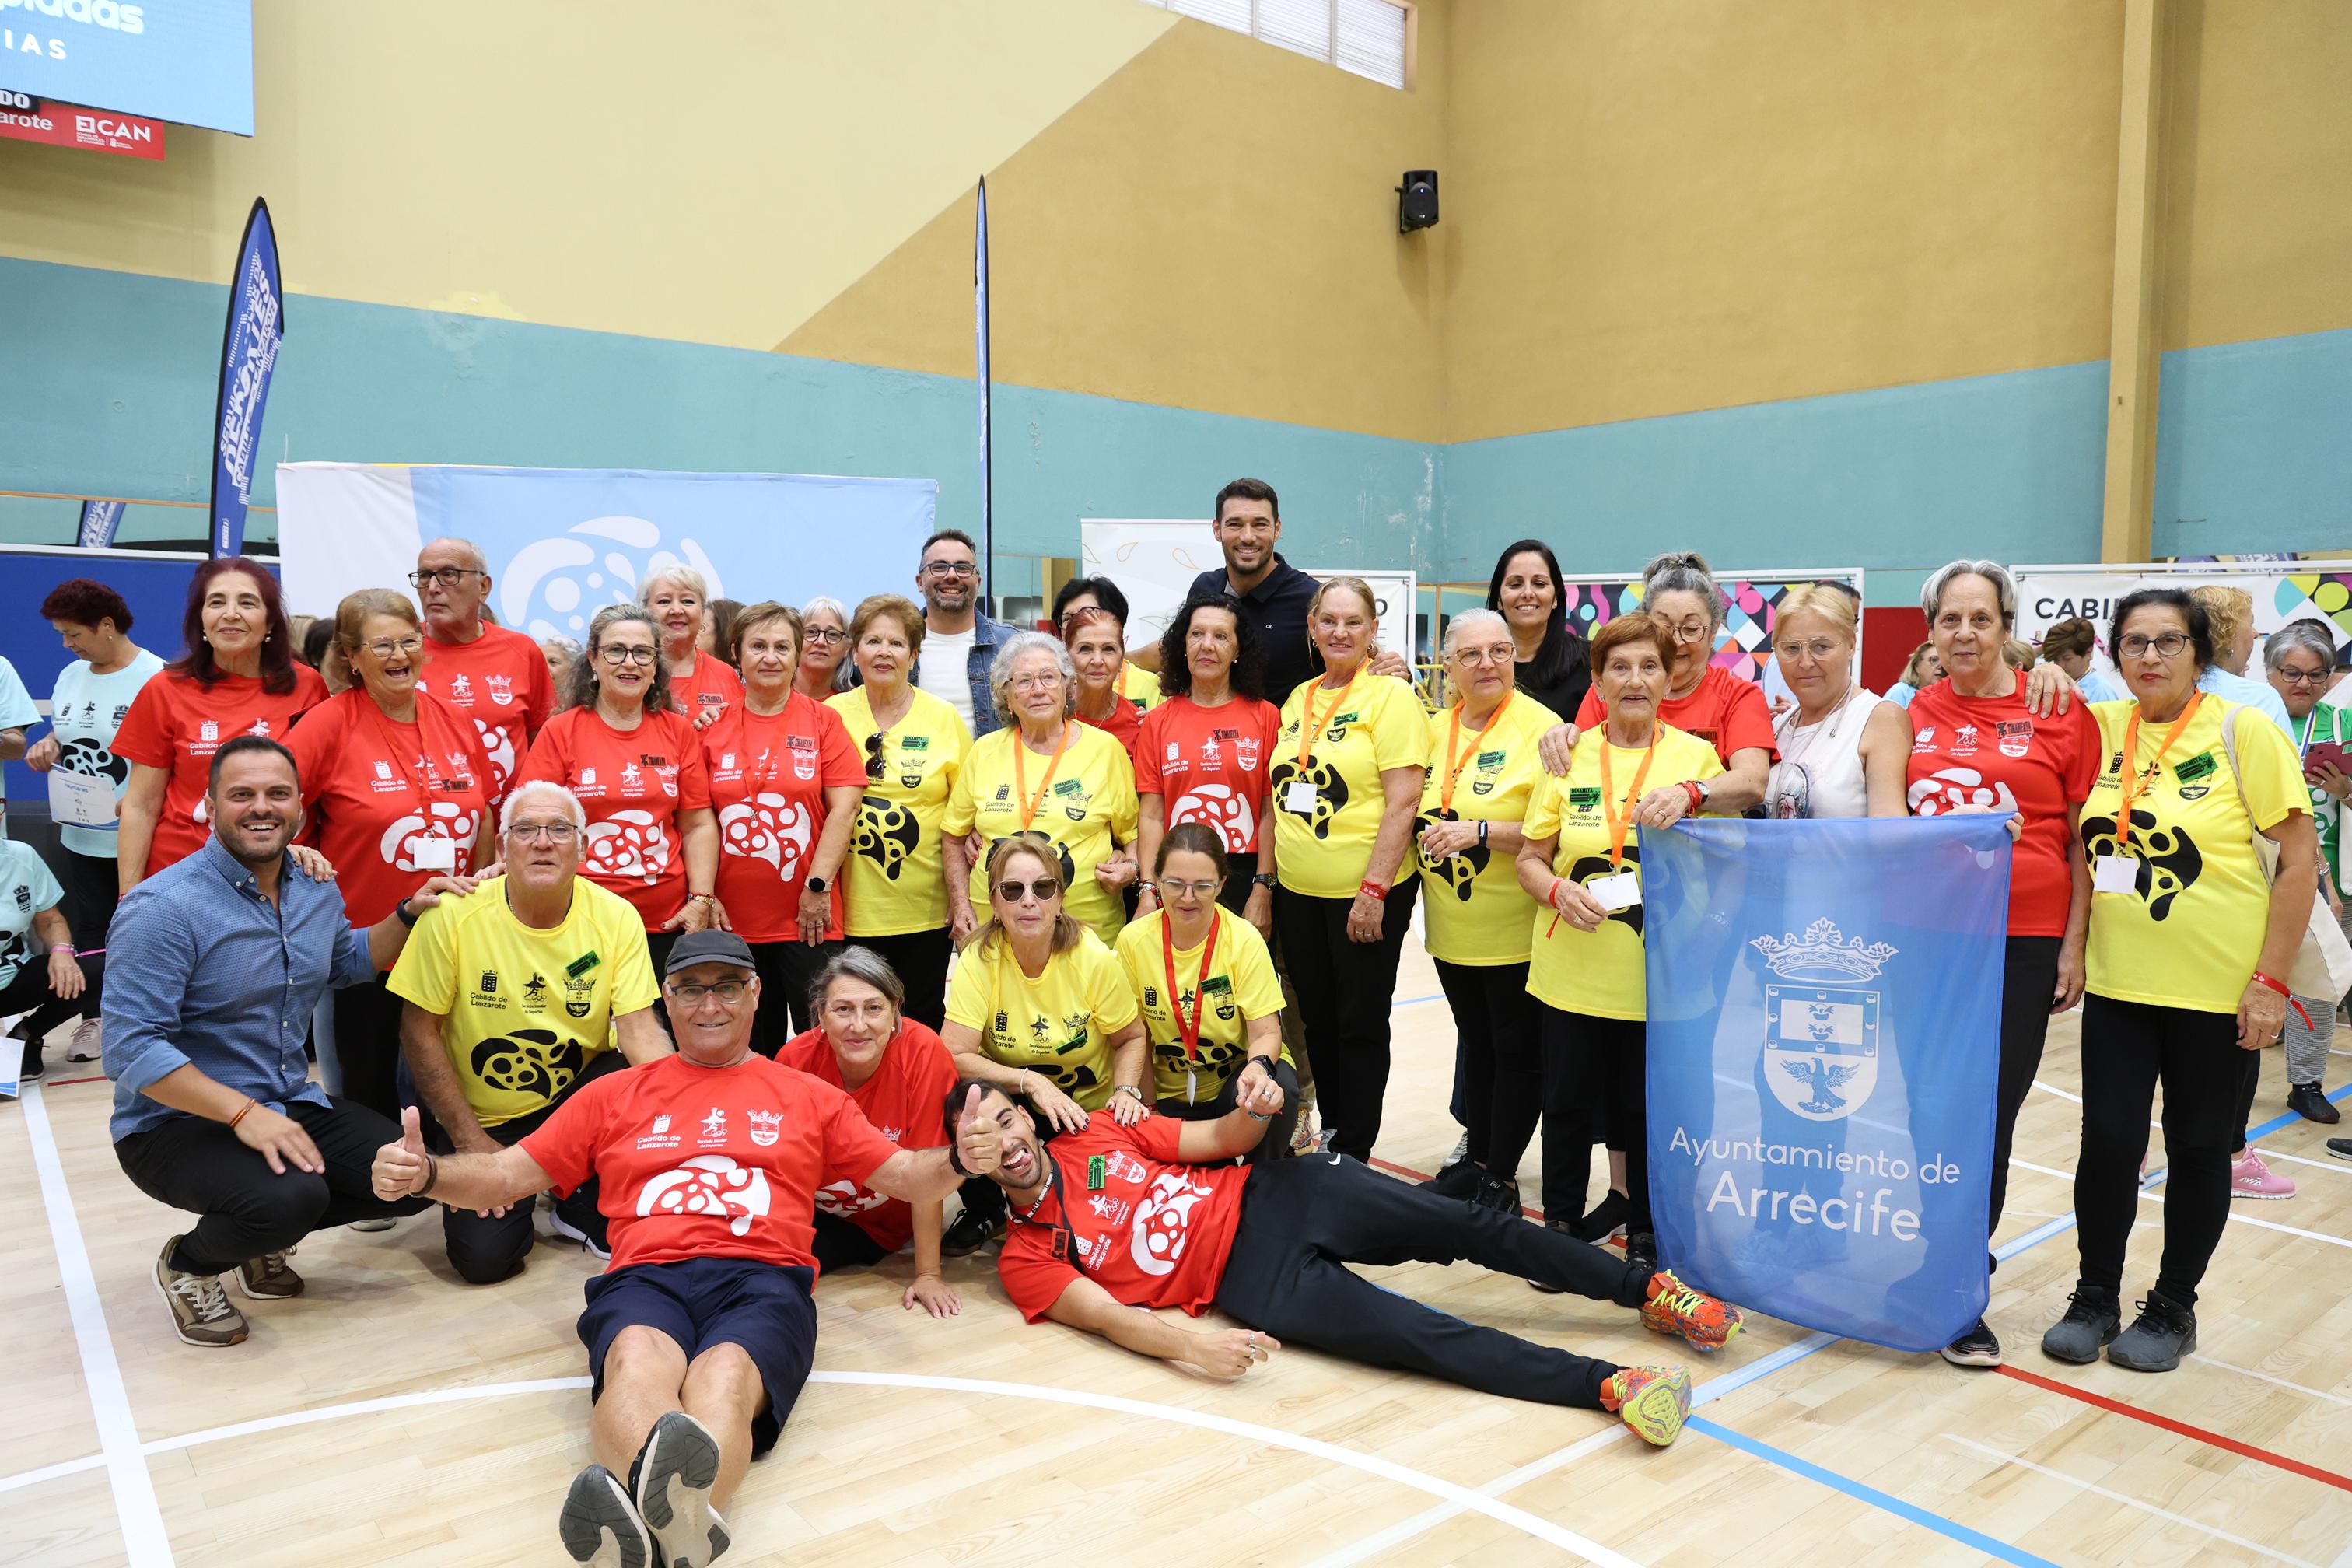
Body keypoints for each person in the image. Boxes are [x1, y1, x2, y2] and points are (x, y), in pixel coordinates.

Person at [368, 929, 1002, 1568]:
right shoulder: (614, 1095)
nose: (710, 1005)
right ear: (665, 1001)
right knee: (637, 1359)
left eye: (726, 987)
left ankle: (652, 1533)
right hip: (647, 1276)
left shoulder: (809, 1097)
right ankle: (683, 1541)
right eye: (691, 989)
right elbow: (505, 1177)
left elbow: (905, 1176)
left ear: (755, 995)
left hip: (764, 1276)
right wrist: (426, 1176)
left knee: (721, 1379)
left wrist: (959, 1160)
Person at [950, 1077, 1743, 1447]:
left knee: (1468, 1225)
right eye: (985, 1139)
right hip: (1250, 1286)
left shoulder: (1095, 1132)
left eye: (1009, 1119)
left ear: (1027, 1116)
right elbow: (1114, 1320)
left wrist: (1256, 1106)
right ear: (971, 1162)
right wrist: (1196, 1346)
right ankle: (1611, 1386)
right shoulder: (1025, 1257)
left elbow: (1221, 1142)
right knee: (1419, 1337)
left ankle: (1649, 1291)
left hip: (1281, 1195)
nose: (1010, 1142)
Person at [105, 736, 467, 1348]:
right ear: (209, 805)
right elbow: (130, 1047)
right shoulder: (163, 908)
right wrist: (244, 1114)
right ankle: (191, 1264)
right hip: (172, 1125)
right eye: (241, 795)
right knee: (291, 1198)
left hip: (283, 1102)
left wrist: (409, 912)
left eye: (277, 793)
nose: (260, 807)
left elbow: (344, 962)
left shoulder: (312, 885)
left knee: (409, 1178)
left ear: (300, 803)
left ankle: (260, 1233)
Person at [2042, 588, 2318, 1373]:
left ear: (2199, 651)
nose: (2151, 657)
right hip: (2122, 987)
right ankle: (2095, 1296)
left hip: (2220, 992)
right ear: (2115, 653)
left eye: (2168, 641)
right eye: (2134, 642)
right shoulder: (2097, 730)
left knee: (2199, 1149)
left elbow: (2299, 863)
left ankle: (2172, 1307)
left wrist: (2271, 982)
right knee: (2109, 1147)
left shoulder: (2243, 730)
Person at [1895, 561, 2098, 1366]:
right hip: (1933, 938)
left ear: (2007, 625)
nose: (1966, 634)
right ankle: (1937, 1258)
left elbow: (2084, 834)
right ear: (1932, 631)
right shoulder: (1916, 709)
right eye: (1951, 620)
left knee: (1987, 1113)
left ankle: (1958, 1284)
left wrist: (2073, 942)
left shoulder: (2056, 705)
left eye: (1982, 618)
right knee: (1925, 1104)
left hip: (2022, 937)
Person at [389, 780, 670, 1282]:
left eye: (560, 829)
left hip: (573, 1099)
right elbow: (417, 1033)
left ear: (583, 846)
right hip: (483, 1116)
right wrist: (471, 1142)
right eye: (526, 830)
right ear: (502, 846)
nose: (543, 841)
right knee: (484, 1262)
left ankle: (576, 1198)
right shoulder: (453, 914)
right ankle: (526, 1173)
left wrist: (685, 1120)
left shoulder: (617, 916)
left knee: (636, 1075)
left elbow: (638, 1029)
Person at [1517, 611, 1723, 1277]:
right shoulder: (1565, 753)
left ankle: (1645, 1230)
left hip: (1658, 980)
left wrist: (1695, 798)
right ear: (1598, 680)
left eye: (1649, 667)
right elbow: (1529, 857)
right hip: (1570, 971)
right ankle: (1560, 1230)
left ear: (1671, 677)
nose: (1635, 680)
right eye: (1619, 668)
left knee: (1642, 1113)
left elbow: (1729, 853)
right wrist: (1554, 891)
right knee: (1567, 1108)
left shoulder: (1695, 759)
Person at [288, 589, 499, 1118]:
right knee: (370, 1088)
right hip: (368, 946)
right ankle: (382, 1190)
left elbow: (485, 814)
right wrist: (293, 852)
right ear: (352, 657)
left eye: (410, 641)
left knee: (452, 1079)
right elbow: (274, 807)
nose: (400, 656)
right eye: (382, 646)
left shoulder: (454, 719)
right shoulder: (326, 724)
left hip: (452, 943)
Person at [1264, 576, 1426, 1161]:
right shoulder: (1298, 699)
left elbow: (1404, 800)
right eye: (1327, 621)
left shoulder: (1391, 697)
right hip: (1299, 893)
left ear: (1372, 630)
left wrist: (1373, 889)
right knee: (1319, 1021)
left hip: (1366, 891)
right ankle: (1333, 1133)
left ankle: (1354, 1149)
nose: (1339, 631)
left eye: (1352, 622)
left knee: (1359, 1023)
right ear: (1311, 628)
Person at [940, 835, 1149, 1252]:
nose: (1029, 901)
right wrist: (1031, 1081)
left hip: (1085, 1111)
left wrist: (1127, 1091)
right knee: (947, 1090)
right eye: (1013, 890)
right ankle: (986, 1209)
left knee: (1092, 1222)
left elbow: (1131, 1037)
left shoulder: (1092, 956)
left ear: (1060, 900)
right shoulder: (979, 957)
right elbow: (952, 1054)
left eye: (1043, 889)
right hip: (1017, 1108)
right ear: (995, 904)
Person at [1414, 609, 1559, 1211]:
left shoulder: (1543, 728)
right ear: (1448, 665)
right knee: (1476, 1045)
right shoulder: (1434, 727)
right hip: (1451, 927)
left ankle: (1499, 1175)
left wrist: (1478, 830)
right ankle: (1477, 1160)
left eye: (1499, 651)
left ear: (1515, 658)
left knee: (1515, 1053)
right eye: (1471, 655)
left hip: (1515, 928)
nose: (1487, 664)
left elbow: (1551, 826)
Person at [519, 604, 721, 977]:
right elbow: (530, 824)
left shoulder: (678, 732)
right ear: (593, 660)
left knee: (657, 1027)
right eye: (616, 651)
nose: (630, 663)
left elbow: (697, 825)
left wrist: (701, 899)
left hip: (666, 922)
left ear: (656, 664)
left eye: (642, 653)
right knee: (584, 1022)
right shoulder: (560, 732)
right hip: (579, 919)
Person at [703, 602, 865, 1049]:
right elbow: (697, 820)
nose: (770, 657)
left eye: (781, 647)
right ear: (736, 653)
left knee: (823, 1042)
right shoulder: (710, 728)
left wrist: (817, 888)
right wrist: (704, 893)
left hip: (808, 919)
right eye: (758, 646)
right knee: (749, 1046)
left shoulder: (823, 721)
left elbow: (845, 807)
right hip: (731, 921)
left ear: (797, 656)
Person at [114, 556, 330, 889]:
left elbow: (321, 792)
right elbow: (140, 806)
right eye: (216, 602)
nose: (230, 613)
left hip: (283, 880)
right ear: (201, 619)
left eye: (247, 602)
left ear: (270, 621)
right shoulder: (165, 689)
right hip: (185, 878)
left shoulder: (309, 687)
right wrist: (128, 899)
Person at [772, 947, 962, 1314]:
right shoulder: (794, 1060)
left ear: (895, 1012)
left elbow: (926, 1166)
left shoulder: (923, 1053)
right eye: (843, 1009)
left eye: (873, 1008)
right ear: (820, 1017)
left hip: (875, 1226)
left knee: (778, 1268)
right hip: (809, 1211)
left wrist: (928, 1273)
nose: (858, 1025)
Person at [25, 578, 163, 1065]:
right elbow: (67, 734)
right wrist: (50, 745)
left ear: (107, 627)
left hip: (142, 835)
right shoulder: (70, 675)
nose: (66, 644)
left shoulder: (158, 678)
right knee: (92, 931)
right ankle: (94, 1021)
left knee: (147, 930)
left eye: (73, 633)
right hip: (81, 831)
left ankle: (154, 1024)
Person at [827, 594, 971, 1033]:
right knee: (857, 1029)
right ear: (855, 651)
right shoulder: (829, 715)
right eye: (872, 641)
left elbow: (967, 811)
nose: (884, 653)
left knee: (920, 1027)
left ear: (914, 653)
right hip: (848, 910)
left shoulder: (944, 718)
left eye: (896, 643)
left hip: (925, 910)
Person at [943, 632, 1139, 948]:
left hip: (1085, 932)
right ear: (1006, 695)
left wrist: (1130, 868)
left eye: (1049, 677)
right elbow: (953, 836)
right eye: (1023, 681)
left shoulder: (1106, 750)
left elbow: (1134, 836)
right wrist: (961, 904)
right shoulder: (984, 751)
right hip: (995, 931)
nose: (1038, 690)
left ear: (1068, 687)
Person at [1134, 478, 1410, 698]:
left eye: (1260, 524)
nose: (1248, 536)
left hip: (1285, 755)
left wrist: (1396, 671)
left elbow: (1361, 650)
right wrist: (1117, 657)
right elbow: (1170, 649)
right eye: (1235, 524)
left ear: (1277, 529)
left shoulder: (1308, 597)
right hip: (1215, 753)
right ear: (1217, 529)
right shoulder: (1205, 588)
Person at [1116, 824, 1295, 1157]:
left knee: (1278, 1082)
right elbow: (1134, 1039)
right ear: (1156, 879)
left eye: (1202, 886)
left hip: (1233, 1089)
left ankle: (1265, 1184)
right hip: (1166, 1096)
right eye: (1175, 884)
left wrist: (1257, 1070)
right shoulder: (1133, 941)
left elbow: (1267, 1031)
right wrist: (1151, 1112)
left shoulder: (1243, 939)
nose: (1187, 897)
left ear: (1222, 883)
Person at [1569, 554, 1773, 814]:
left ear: (1713, 632)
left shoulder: (1739, 697)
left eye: (1691, 628)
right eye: (1663, 625)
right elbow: (1579, 768)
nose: (1676, 641)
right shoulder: (1613, 691)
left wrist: (1690, 793)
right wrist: (1561, 737)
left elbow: (1752, 783)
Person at [1134, 594, 1283, 933]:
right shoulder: (1158, 722)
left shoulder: (1265, 716)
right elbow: (1152, 815)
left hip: (1245, 873)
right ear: (1182, 646)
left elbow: (1268, 811)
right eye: (1196, 634)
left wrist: (1263, 888)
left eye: (1221, 636)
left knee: (1239, 980)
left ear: (1238, 650)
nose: (1207, 645)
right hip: (1177, 878)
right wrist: (1148, 890)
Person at [2265, 619, 2345, 1125]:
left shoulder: (2343, 723)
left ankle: (2307, 1082)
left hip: (2323, 873)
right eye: (2291, 672)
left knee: (2317, 984)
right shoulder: (2248, 717)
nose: (2303, 684)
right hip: (2250, 871)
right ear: (2269, 672)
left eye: (2317, 675)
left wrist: (2346, 790)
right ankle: (2224, 1076)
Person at [411, 537, 555, 810]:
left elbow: (543, 743)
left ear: (484, 587)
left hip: (509, 832)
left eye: (448, 575)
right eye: (424, 576)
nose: (432, 588)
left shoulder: (521, 650)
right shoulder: (402, 651)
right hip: (426, 827)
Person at [1764, 583, 1909, 821]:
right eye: (1791, 648)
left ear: (1851, 645)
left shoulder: (1879, 718)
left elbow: (1890, 832)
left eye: (1821, 646)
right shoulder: (1777, 725)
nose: (1805, 662)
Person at [0, 839, 93, 1088]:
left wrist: (62, 952)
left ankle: (26, 1036)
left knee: (94, 973)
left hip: (10, 977)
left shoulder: (23, 856)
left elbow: (51, 920)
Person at [911, 528, 1018, 736]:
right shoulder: (896, 645)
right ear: (919, 582)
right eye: (939, 567)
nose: (952, 576)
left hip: (990, 768)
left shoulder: (1013, 646)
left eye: (963, 568)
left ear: (978, 584)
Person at [1488, 538, 1591, 719]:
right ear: (1499, 599)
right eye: (1515, 584)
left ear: (1556, 598)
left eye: (1539, 584)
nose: (1527, 593)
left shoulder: (1591, 661)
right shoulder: (1481, 665)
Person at [642, 566, 743, 723]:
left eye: (687, 601)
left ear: (702, 612)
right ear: (645, 611)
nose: (676, 610)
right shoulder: (632, 669)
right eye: (664, 601)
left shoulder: (725, 675)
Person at [2189, 585, 2293, 733]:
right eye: (2250, 624)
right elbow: (2284, 756)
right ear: (2227, 636)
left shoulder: (2161, 689)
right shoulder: (2260, 697)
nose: (2256, 634)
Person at [1053, 575, 1160, 710]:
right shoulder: (1051, 685)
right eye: (1068, 619)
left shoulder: (1150, 685)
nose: (1075, 625)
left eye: (1087, 614)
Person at [1062, 604, 1144, 758]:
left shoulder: (1138, 725)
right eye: (1085, 648)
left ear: (1121, 660)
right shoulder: (1052, 715)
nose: (1098, 661)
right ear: (1067, 657)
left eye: (1108, 649)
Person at [2039, 616, 2123, 702]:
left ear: (2088, 652)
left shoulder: (2102, 692)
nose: (2060, 665)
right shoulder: (2051, 684)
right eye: (2056, 659)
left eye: (2067, 659)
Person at [794, 596, 852, 702]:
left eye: (832, 635)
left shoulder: (854, 705)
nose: (820, 642)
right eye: (811, 632)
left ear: (847, 648)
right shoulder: (771, 692)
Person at [1885, 641, 1943, 711]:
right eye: (1934, 660)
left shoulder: (1948, 696)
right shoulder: (1901, 692)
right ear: (1917, 666)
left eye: (1944, 661)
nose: (1941, 666)